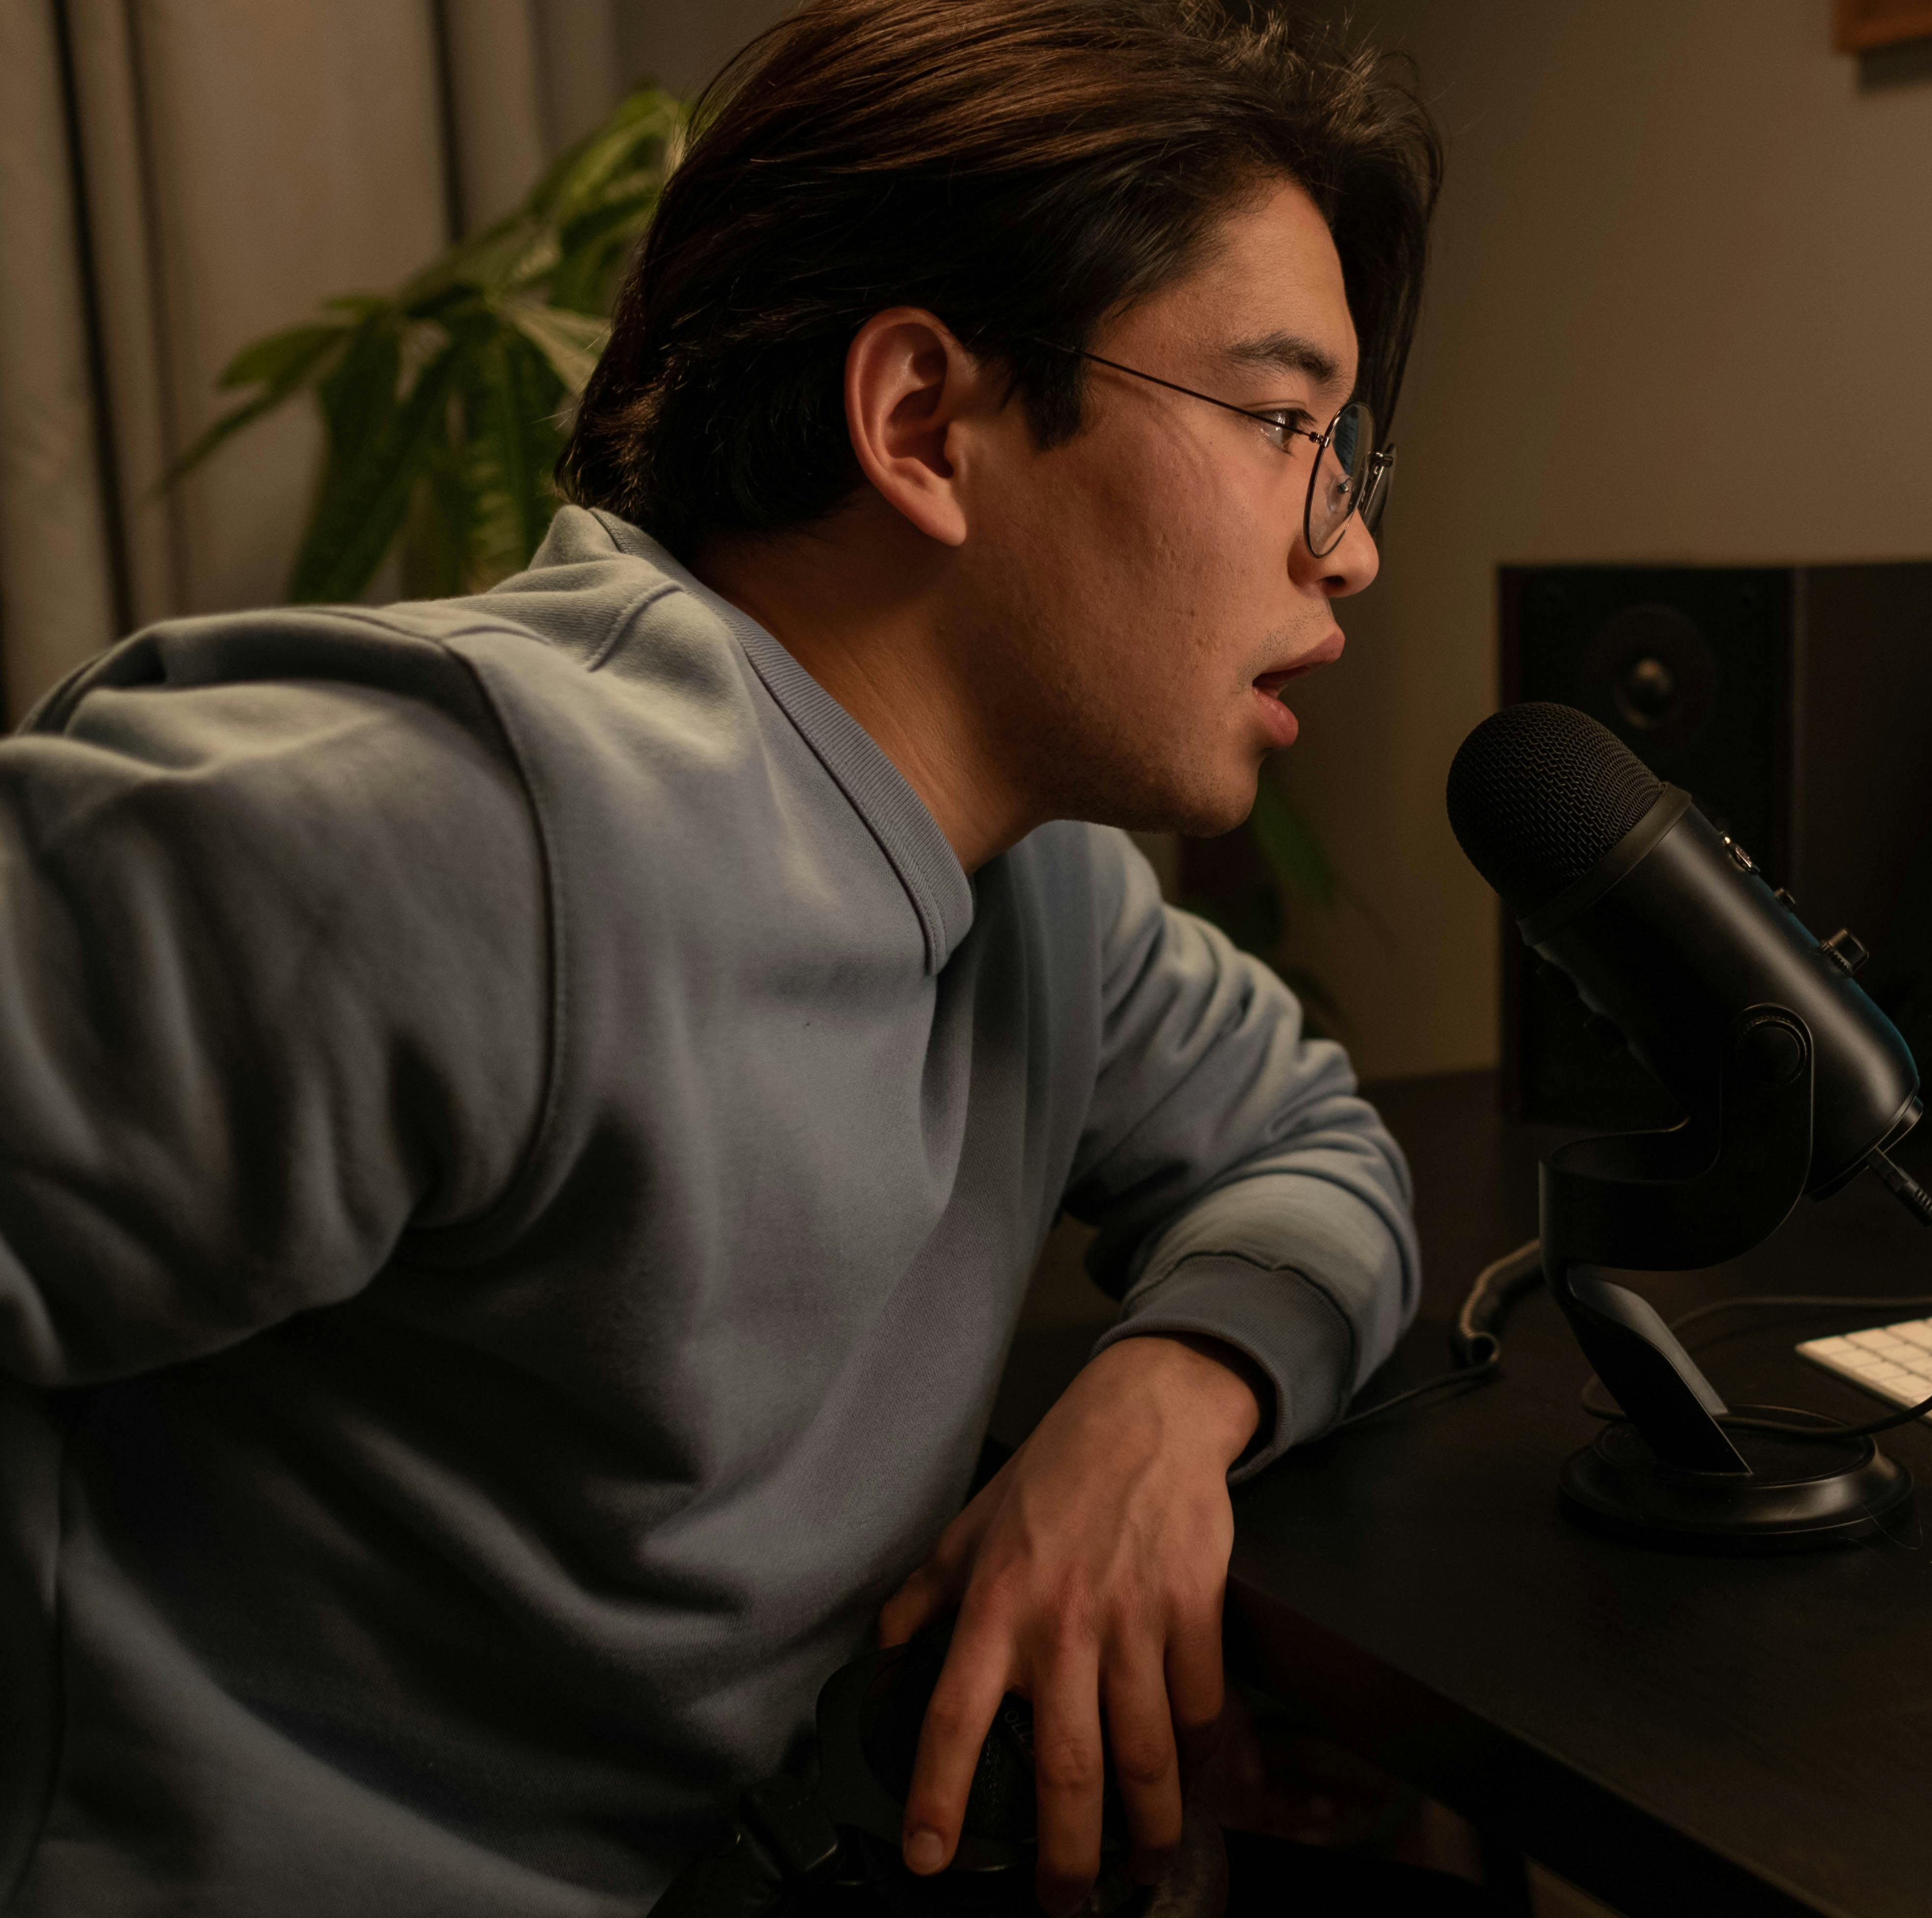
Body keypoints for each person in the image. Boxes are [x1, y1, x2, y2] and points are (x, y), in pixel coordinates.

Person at [0, 2, 1443, 1913]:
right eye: (1282, 424)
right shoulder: (441, 830)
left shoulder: (1048, 892)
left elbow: (1315, 1145)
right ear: (926, 420)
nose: (1345, 551)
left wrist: (1167, 1392)